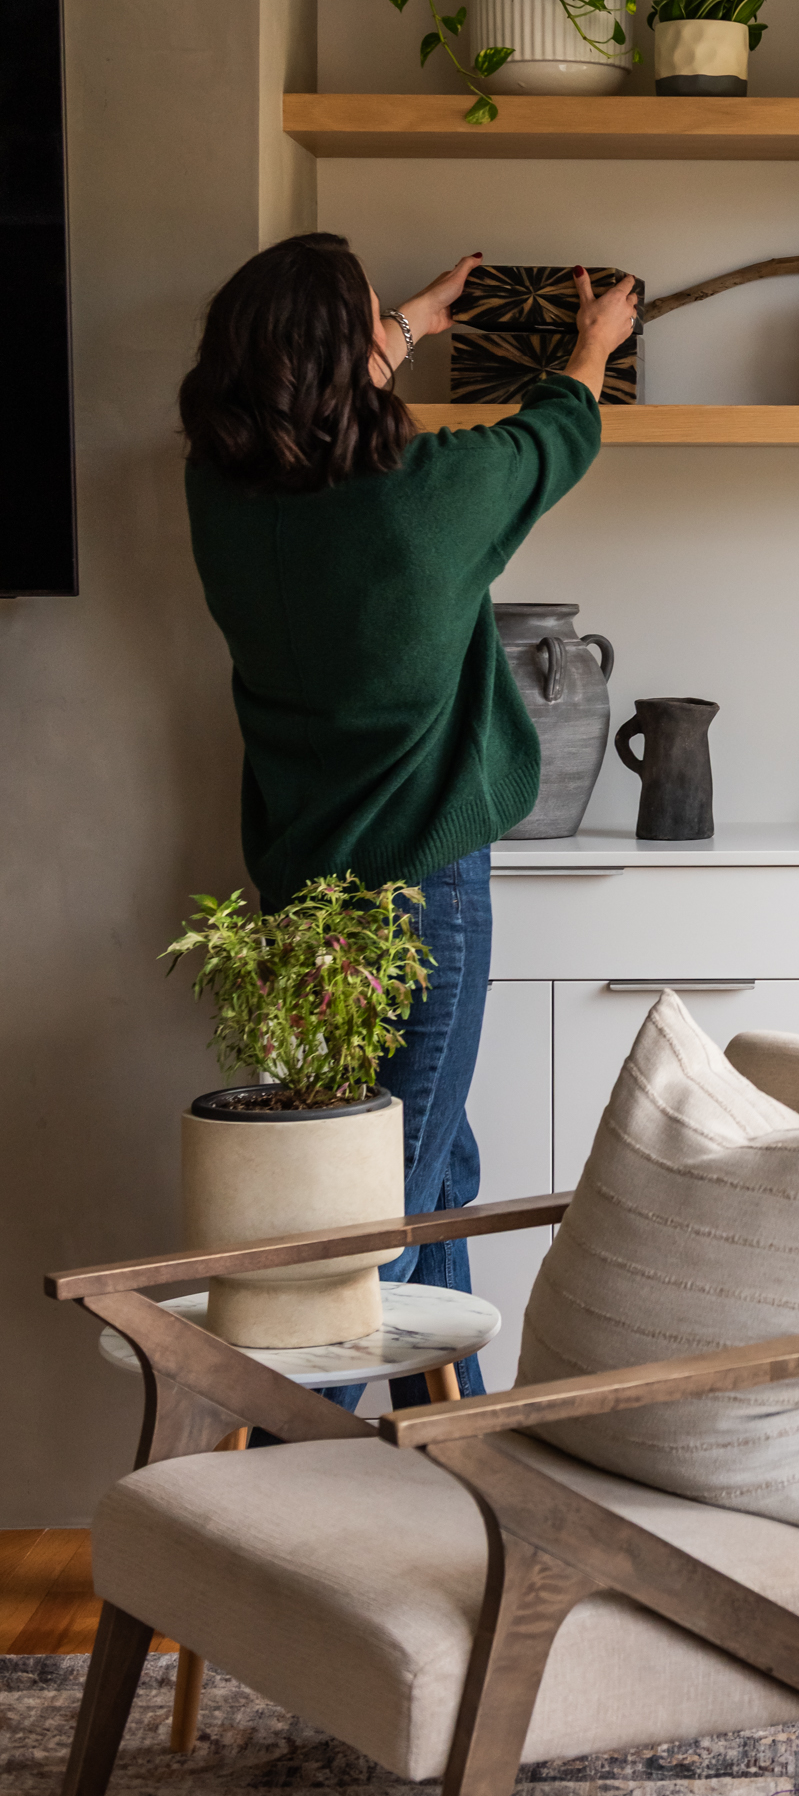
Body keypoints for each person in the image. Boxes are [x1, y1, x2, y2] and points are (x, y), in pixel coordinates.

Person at [178, 232, 638, 1418]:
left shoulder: (221, 497)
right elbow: (558, 433)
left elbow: (320, 408)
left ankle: (452, 1443)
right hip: (422, 893)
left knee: (439, 1168)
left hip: (298, 900)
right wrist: (592, 344)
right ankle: (296, 1493)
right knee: (375, 1219)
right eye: (373, 320)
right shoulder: (426, 501)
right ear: (344, 361)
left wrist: (409, 324)